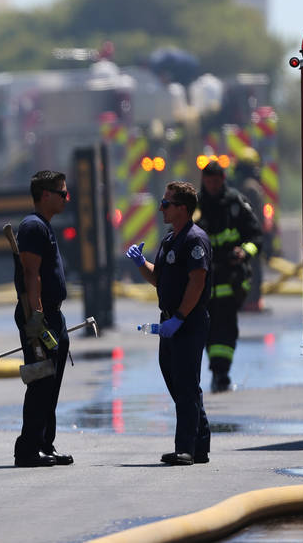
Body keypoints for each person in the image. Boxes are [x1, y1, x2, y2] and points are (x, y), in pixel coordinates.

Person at [126, 181, 212, 465]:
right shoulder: (169, 239)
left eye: (166, 203)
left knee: (186, 384)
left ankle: (185, 448)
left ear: (182, 209)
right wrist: (142, 264)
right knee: (177, 381)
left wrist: (180, 317)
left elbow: (197, 282)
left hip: (186, 321)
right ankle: (199, 444)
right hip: (169, 323)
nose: (161, 208)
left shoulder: (194, 239)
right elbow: (159, 279)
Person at [13, 170, 73, 468]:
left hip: (53, 315)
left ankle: (44, 444)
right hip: (39, 316)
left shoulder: (44, 226)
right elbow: (30, 274)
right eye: (62, 193)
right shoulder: (33, 227)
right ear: (45, 195)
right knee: (40, 383)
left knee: (51, 384)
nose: (67, 198)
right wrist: (36, 318)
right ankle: (27, 449)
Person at [197, 160, 262, 391]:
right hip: (202, 280)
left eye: (217, 181)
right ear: (203, 181)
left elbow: (256, 237)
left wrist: (244, 252)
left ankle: (221, 372)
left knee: (226, 329)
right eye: (209, 182)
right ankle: (217, 371)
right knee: (207, 330)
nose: (213, 186)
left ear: (223, 180)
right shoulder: (196, 206)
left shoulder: (235, 203)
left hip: (229, 279)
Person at [230, 148, 268, 313]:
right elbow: (258, 217)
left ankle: (245, 300)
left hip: (239, 236)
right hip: (251, 237)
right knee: (253, 267)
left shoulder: (237, 187)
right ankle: (252, 301)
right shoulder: (252, 188)